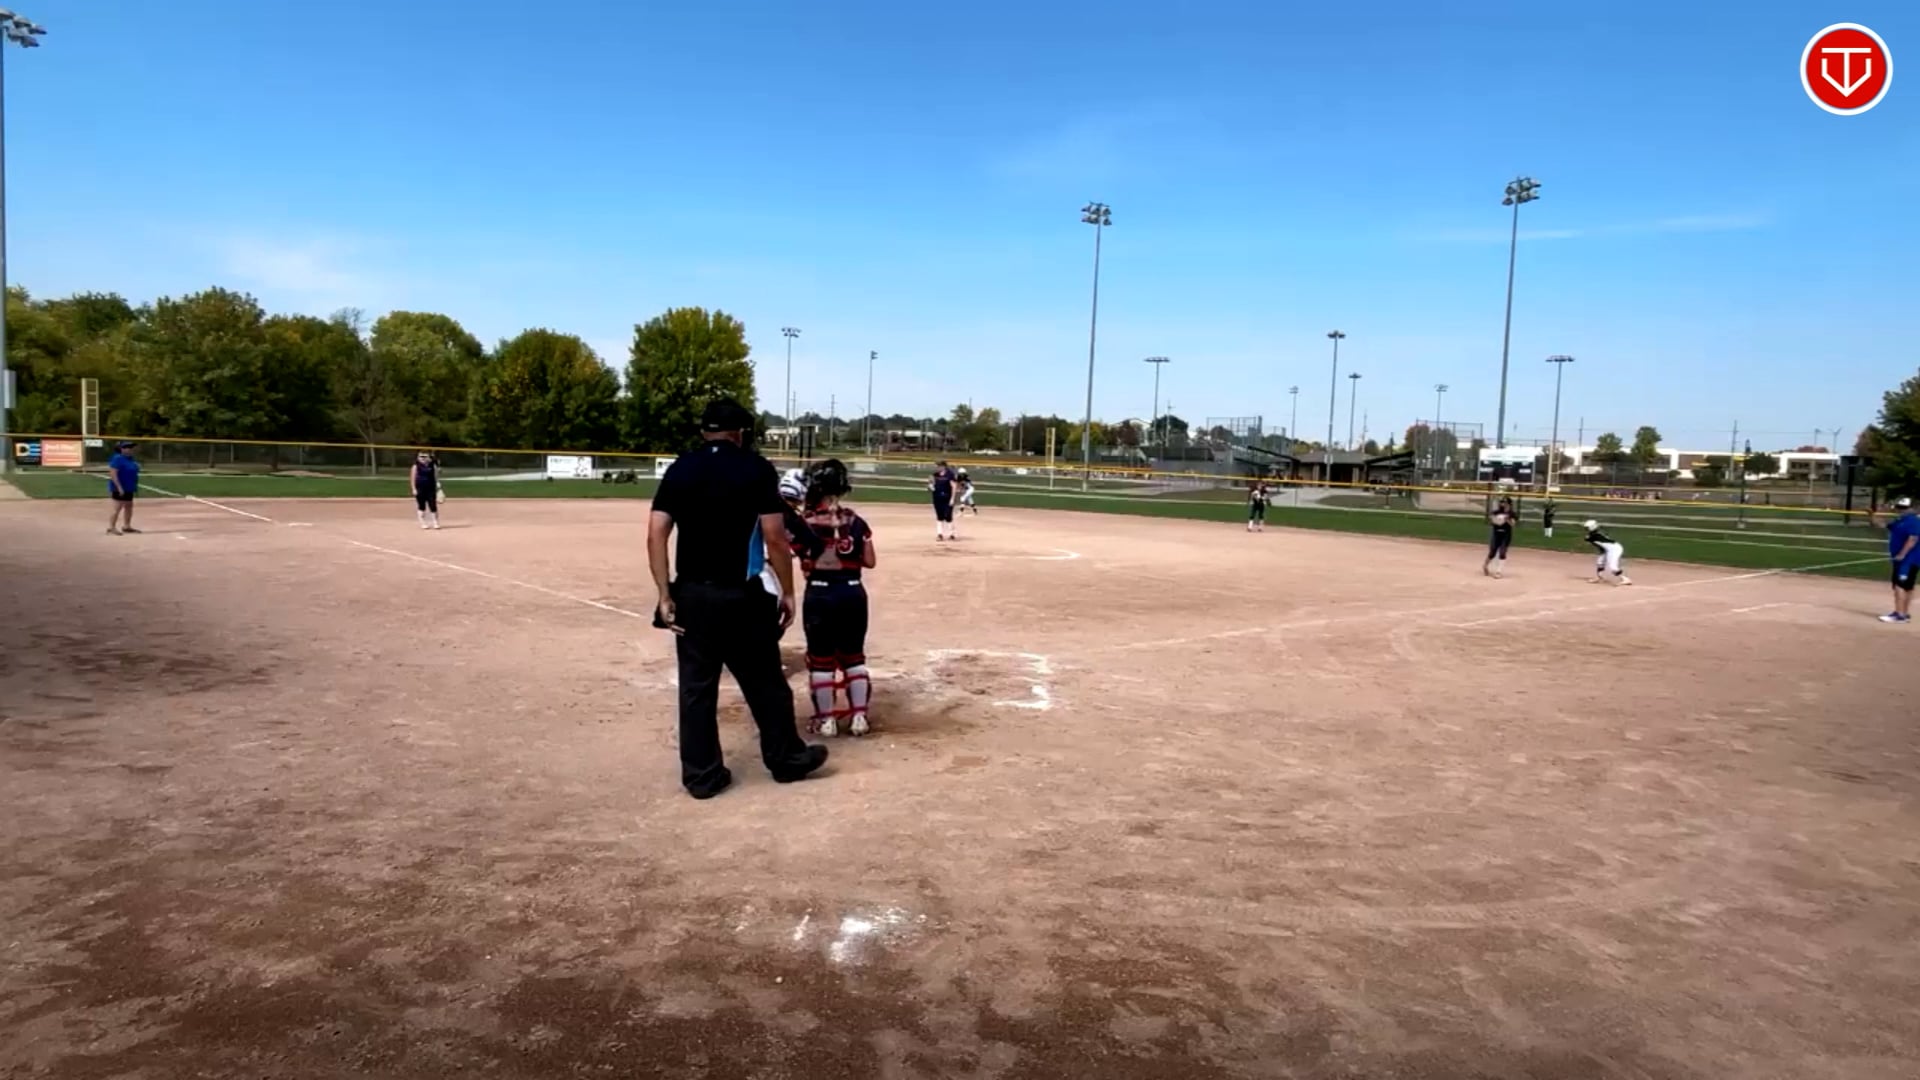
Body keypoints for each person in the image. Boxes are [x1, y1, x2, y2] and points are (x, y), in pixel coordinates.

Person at [648, 398, 829, 799]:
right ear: (740, 433)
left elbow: (656, 532)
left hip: (692, 593)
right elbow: (775, 537)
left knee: (696, 689)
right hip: (742, 595)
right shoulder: (755, 468)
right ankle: (785, 759)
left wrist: (664, 593)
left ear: (704, 431)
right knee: (765, 682)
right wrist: (787, 591)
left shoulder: (681, 468)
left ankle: (702, 776)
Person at [787, 458, 878, 737]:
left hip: (820, 593)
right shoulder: (856, 521)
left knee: (821, 659)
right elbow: (870, 561)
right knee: (854, 657)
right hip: (852, 592)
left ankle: (827, 721)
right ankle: (859, 717)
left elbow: (797, 554)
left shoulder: (806, 523)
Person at [1879, 495, 1918, 624]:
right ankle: (1904, 613)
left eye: (1904, 508)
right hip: (1904, 560)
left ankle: (1899, 615)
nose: (1901, 510)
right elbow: (1882, 525)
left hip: (1907, 560)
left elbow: (1913, 539)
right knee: (1907, 587)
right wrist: (1874, 514)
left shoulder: (1913, 521)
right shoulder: (1900, 521)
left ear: (1912, 508)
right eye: (1900, 507)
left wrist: (1902, 554)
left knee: (1899, 586)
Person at [105, 441, 141, 535]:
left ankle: (126, 526)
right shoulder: (117, 458)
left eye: (131, 447)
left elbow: (133, 471)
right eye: (127, 447)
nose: (130, 449)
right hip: (119, 487)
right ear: (121, 449)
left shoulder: (130, 459)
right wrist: (119, 487)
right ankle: (111, 528)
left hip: (129, 487)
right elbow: (113, 474)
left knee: (129, 506)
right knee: (117, 508)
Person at [1583, 519, 1632, 585]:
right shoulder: (1596, 533)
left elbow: (1590, 540)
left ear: (1592, 527)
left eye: (1587, 528)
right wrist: (1602, 553)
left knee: (1613, 566)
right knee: (1600, 562)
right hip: (1608, 549)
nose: (1586, 529)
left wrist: (1587, 539)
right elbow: (1601, 545)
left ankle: (1626, 579)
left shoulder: (1593, 536)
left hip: (1614, 549)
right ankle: (1600, 577)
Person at [1484, 496, 1516, 577]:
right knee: (1492, 552)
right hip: (1496, 534)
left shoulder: (1512, 513)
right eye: (1501, 502)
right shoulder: (1497, 512)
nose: (1502, 504)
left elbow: (1512, 524)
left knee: (1502, 552)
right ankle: (1485, 566)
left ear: (1509, 504)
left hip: (1506, 535)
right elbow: (1491, 521)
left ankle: (1498, 571)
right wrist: (1495, 520)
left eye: (1505, 502)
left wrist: (1507, 519)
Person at [410, 451, 441, 530]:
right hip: (420, 488)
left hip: (431, 488)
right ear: (418, 458)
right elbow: (412, 478)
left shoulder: (432, 465)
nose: (423, 458)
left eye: (425, 456)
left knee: (433, 505)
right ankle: (423, 523)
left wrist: (438, 485)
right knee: (421, 506)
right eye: (421, 457)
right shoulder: (415, 466)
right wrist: (414, 489)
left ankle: (435, 522)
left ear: (428, 457)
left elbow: (436, 476)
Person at [929, 460, 959, 541]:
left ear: (943, 466)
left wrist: (952, 498)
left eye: (938, 466)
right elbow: (931, 485)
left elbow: (954, 487)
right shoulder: (935, 475)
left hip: (947, 497)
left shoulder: (950, 475)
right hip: (937, 497)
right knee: (939, 516)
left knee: (948, 516)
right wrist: (930, 487)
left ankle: (952, 534)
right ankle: (940, 534)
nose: (937, 468)